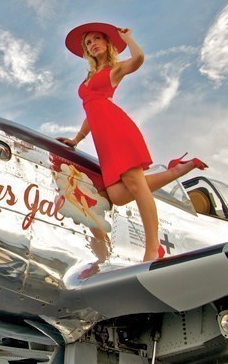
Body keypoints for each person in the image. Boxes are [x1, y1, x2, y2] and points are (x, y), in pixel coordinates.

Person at [58, 22, 207, 262]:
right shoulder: (90, 77)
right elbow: (91, 111)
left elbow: (138, 59)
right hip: (102, 137)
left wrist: (127, 38)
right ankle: (177, 170)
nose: (93, 44)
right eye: (88, 42)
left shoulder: (114, 69)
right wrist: (76, 139)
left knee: (137, 186)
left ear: (107, 43)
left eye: (97, 39)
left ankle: (153, 248)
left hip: (117, 130)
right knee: (117, 195)